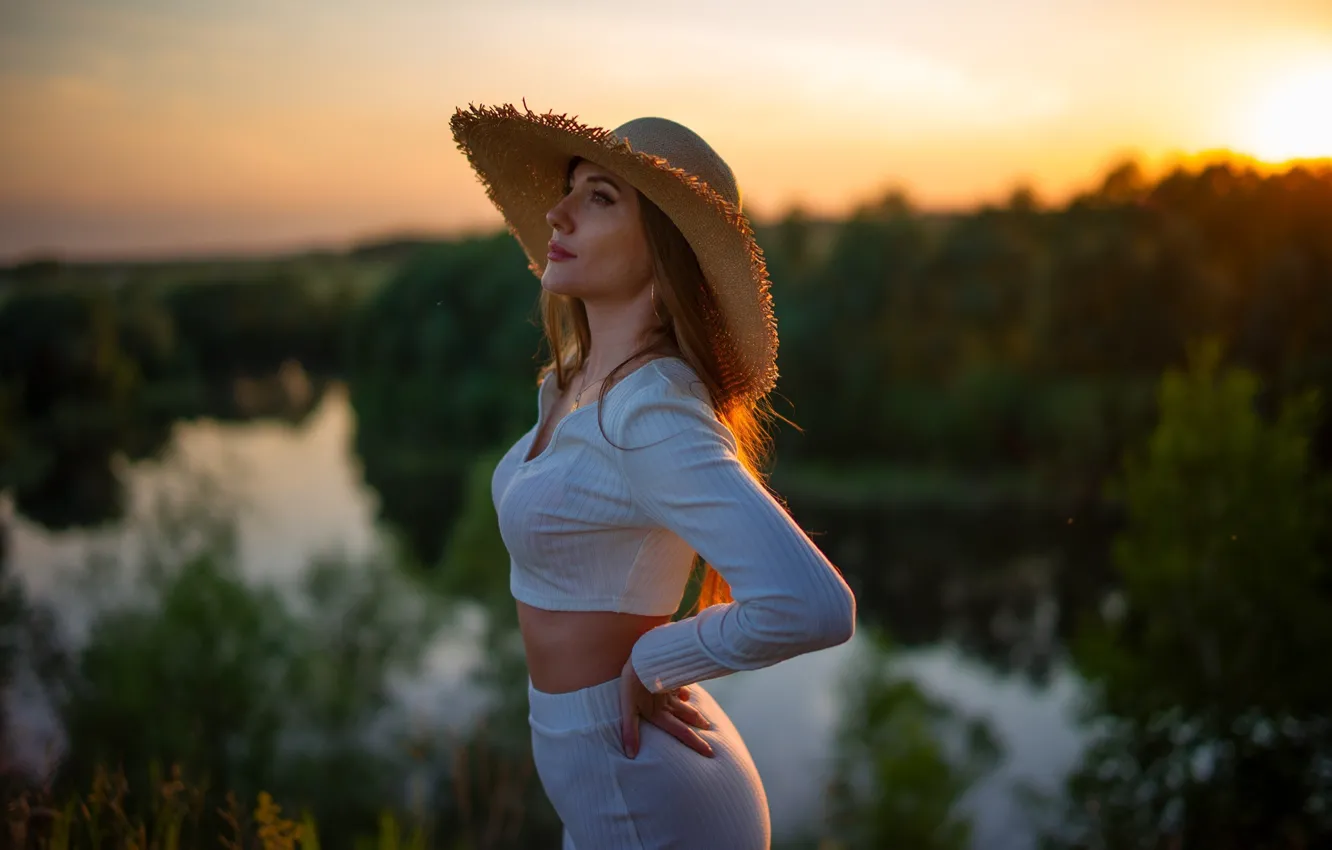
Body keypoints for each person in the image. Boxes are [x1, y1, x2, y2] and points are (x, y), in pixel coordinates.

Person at [450, 102, 857, 850]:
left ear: (665, 252)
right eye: (569, 188)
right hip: (604, 771)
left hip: (645, 786)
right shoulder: (572, 385)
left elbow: (814, 604)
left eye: (600, 198)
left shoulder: (651, 409)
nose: (558, 213)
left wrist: (656, 659)